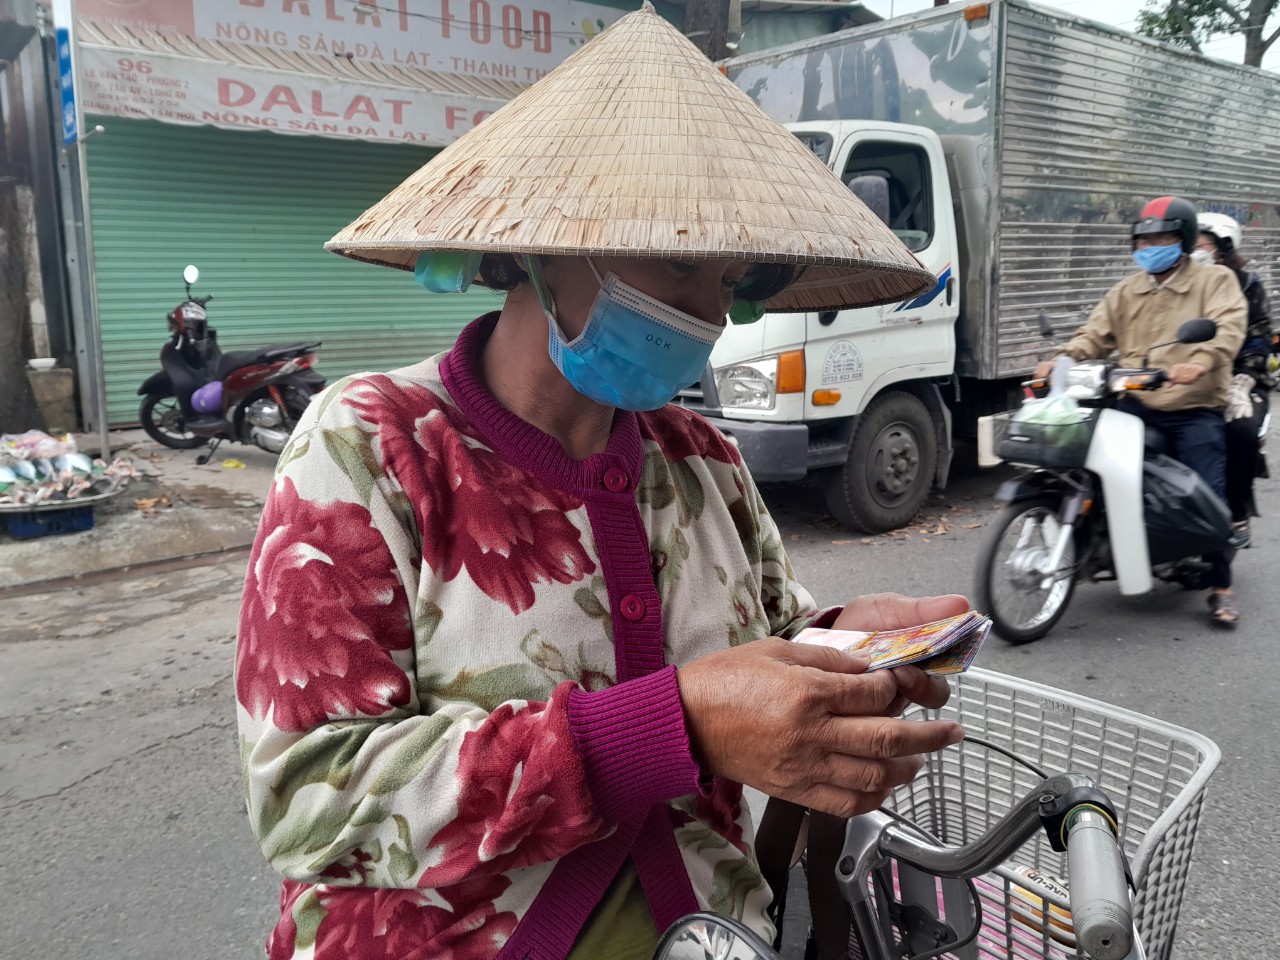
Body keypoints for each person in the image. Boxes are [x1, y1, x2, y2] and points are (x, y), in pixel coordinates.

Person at [233, 6, 968, 960]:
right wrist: (672, 727)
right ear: (541, 243)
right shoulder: (370, 446)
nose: (712, 314)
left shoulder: (705, 458)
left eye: (730, 276)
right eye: (677, 261)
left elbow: (755, 653)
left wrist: (840, 648)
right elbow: (306, 799)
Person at [1034, 196, 1247, 625]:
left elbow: (1226, 330)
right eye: (1144, 239)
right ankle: (1105, 539)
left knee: (1209, 494)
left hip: (1193, 406)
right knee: (1081, 456)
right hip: (1134, 401)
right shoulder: (1126, 291)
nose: (1152, 245)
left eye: (1163, 237)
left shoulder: (1215, 281)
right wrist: (1062, 357)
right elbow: (1093, 335)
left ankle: (1221, 586)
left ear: (1183, 240)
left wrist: (1198, 363)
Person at [1193, 213, 1273, 545]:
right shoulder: (1179, 283)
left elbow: (1258, 341)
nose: (1194, 251)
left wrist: (1243, 381)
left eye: (1202, 244)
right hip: (1183, 378)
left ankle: (1238, 514)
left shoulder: (1248, 287)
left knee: (1239, 429)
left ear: (1224, 247)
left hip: (1240, 380)